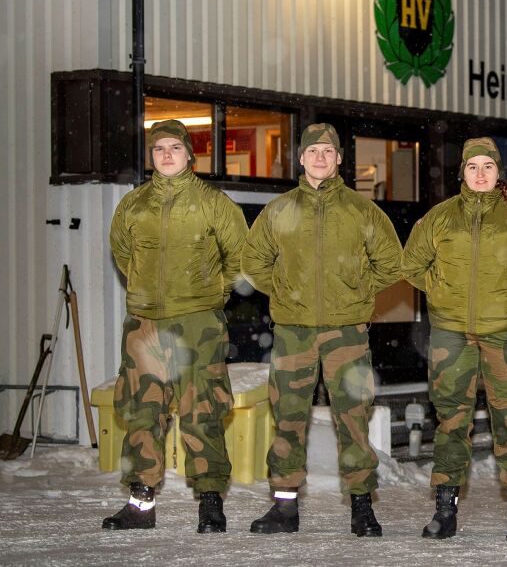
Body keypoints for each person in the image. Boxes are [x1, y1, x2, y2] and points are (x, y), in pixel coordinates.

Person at [402, 137, 507, 542]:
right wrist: (439, 290)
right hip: (450, 335)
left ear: (498, 173)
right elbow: (411, 264)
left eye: (487, 167)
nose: (480, 173)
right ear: (462, 173)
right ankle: (445, 510)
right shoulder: (440, 217)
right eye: (472, 166)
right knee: (450, 422)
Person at [241, 123, 402, 536]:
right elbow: (254, 261)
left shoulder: (361, 211)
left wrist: (357, 291)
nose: (320, 157)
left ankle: (362, 508)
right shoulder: (279, 211)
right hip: (293, 331)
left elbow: (390, 261)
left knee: (353, 418)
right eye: (313, 151)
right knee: (288, 417)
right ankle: (284, 507)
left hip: (346, 332)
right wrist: (285, 290)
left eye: (328, 151)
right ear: (300, 158)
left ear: (339, 160)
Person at [103, 119, 248, 533]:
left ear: (189, 154)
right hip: (144, 324)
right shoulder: (133, 205)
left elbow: (239, 257)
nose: (167, 155)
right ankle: (139, 505)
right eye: (159, 148)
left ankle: (210, 503)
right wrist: (147, 293)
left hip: (198, 323)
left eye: (175, 148)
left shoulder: (213, 203)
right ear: (151, 156)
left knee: (202, 408)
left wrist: (209, 294)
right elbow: (122, 253)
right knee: (140, 409)